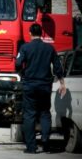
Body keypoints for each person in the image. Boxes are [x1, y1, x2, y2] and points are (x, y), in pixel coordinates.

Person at [16, 23, 66, 154]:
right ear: (42, 34)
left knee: (29, 115)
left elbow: (17, 63)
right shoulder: (49, 48)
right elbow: (57, 67)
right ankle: (46, 142)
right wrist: (62, 83)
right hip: (45, 86)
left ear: (30, 33)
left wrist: (22, 73)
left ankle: (31, 147)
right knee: (44, 113)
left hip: (30, 85)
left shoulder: (25, 47)